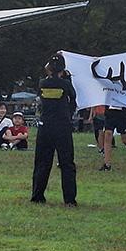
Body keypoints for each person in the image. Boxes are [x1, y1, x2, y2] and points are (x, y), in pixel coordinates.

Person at [31, 54, 78, 205]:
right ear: (63, 70)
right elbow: (73, 100)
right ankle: (69, 199)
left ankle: (37, 195)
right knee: (67, 163)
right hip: (62, 126)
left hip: (45, 126)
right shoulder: (66, 84)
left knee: (42, 162)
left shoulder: (42, 83)